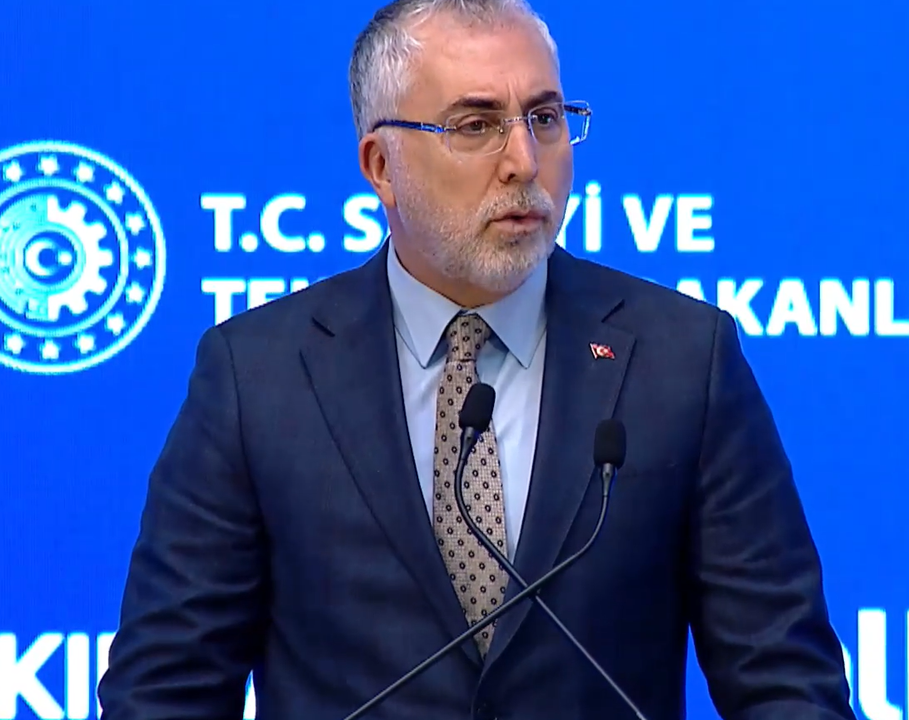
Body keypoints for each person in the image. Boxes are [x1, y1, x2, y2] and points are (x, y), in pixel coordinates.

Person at [97, 0, 856, 718]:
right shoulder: (258, 377)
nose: (523, 160)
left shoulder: (683, 360)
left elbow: (786, 684)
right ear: (381, 165)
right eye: (476, 125)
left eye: (545, 118)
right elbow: (166, 691)